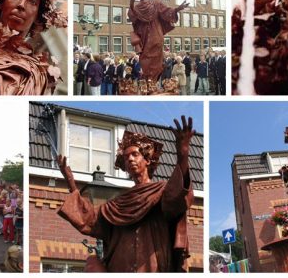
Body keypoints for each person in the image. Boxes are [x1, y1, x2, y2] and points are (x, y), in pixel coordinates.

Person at [57, 116, 194, 272]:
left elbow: (178, 197)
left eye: (135, 154)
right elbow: (90, 220)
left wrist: (183, 155)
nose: (129, 159)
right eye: (126, 156)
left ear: (147, 160)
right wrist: (71, 184)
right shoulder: (117, 204)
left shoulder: (161, 192)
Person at [128, 0, 188, 82]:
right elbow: (132, 14)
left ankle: (153, 82)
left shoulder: (155, 3)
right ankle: (149, 82)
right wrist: (131, 0)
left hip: (156, 35)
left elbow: (166, 11)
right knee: (145, 60)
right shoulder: (137, 7)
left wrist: (177, 9)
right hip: (145, 38)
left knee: (156, 59)